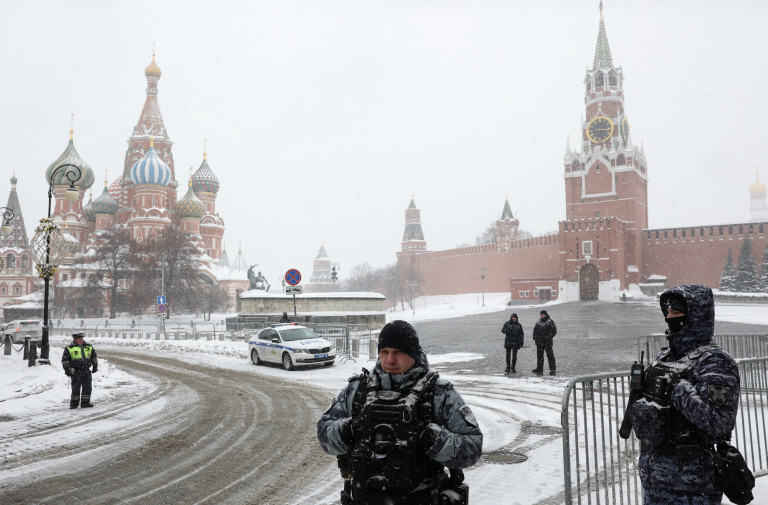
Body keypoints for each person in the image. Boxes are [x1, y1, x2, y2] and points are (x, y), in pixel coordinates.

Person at [317, 320, 483, 505]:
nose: (390, 360)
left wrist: (430, 437)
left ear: (413, 353)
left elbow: (472, 447)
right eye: (384, 352)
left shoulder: (439, 393)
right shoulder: (357, 390)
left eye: (398, 352)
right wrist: (348, 430)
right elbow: (324, 434)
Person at [627, 285, 741, 505]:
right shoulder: (666, 356)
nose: (669, 317)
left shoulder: (715, 362)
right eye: (668, 312)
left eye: (676, 313)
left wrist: (678, 390)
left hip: (692, 486)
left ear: (695, 317)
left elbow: (720, 422)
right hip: (655, 480)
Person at [61, 332, 98, 409]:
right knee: (76, 388)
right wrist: (67, 369)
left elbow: (94, 357)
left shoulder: (89, 346)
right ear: (75, 340)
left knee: (87, 387)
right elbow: (65, 360)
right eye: (79, 339)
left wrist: (95, 365)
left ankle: (85, 402)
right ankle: (74, 404)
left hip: (86, 371)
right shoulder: (69, 348)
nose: (81, 340)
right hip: (76, 371)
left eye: (82, 339)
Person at [532, 309, 557, 375]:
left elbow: (553, 331)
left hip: (547, 342)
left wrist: (547, 337)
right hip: (539, 342)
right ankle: (539, 369)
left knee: (550, 356)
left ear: (545, 315)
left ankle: (552, 369)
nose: (541, 315)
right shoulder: (538, 321)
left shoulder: (550, 322)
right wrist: (535, 337)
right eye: (540, 314)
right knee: (539, 356)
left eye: (542, 314)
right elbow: (535, 330)